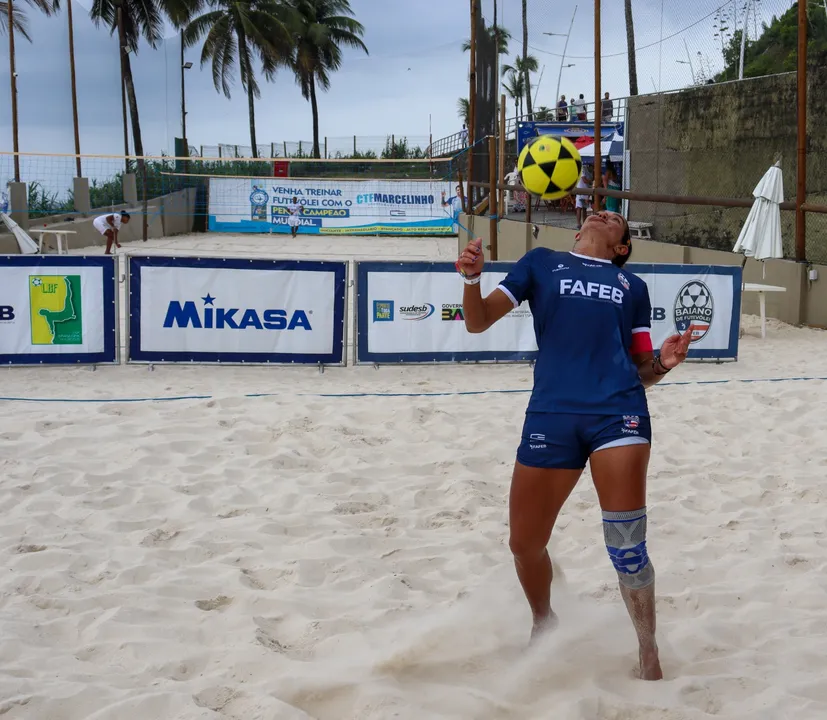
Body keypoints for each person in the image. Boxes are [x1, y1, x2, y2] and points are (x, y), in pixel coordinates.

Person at [455, 211, 694, 681]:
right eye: (599, 212)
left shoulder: (632, 288)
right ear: (580, 230)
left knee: (626, 546)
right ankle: (544, 619)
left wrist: (663, 365)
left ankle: (648, 652)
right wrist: (471, 278)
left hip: (619, 412)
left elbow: (641, 370)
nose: (603, 211)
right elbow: (477, 322)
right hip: (552, 413)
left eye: (616, 219)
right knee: (524, 544)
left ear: (622, 246)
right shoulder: (540, 262)